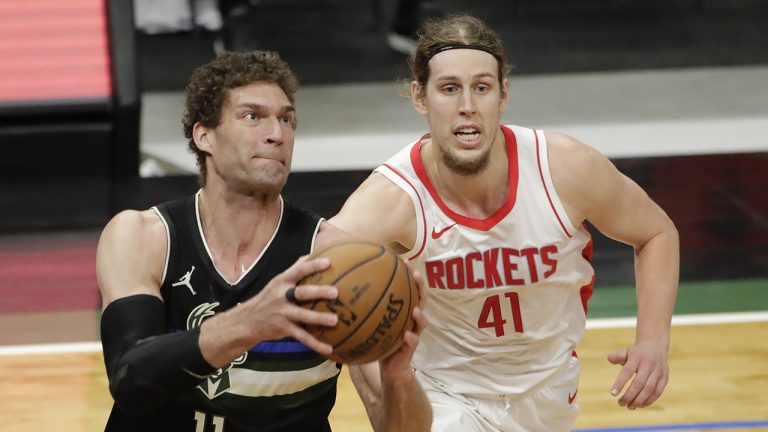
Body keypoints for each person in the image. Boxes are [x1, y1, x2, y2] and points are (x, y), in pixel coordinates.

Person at [329, 14, 680, 431]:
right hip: (443, 394)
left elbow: (657, 233)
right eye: (449, 89)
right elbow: (317, 281)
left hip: (548, 392)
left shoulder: (565, 169)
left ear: (503, 94)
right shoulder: (391, 199)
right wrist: (385, 394)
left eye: (481, 87)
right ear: (419, 97)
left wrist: (654, 343)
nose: (467, 106)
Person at [96, 50, 431, 431]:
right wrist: (252, 322)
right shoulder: (144, 237)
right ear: (203, 135)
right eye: (253, 116)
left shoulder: (334, 260)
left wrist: (399, 377)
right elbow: (129, 380)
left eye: (286, 119)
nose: (277, 134)